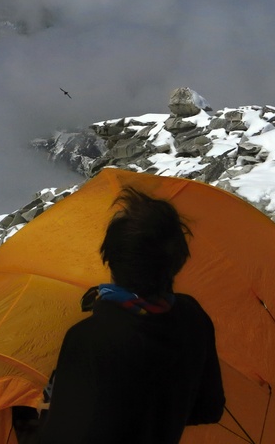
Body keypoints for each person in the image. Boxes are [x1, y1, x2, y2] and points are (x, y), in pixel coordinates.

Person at [36, 187, 225, 444]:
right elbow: (209, 408)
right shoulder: (192, 317)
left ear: (111, 261)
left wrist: (34, 416)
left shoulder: (89, 339)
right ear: (177, 261)